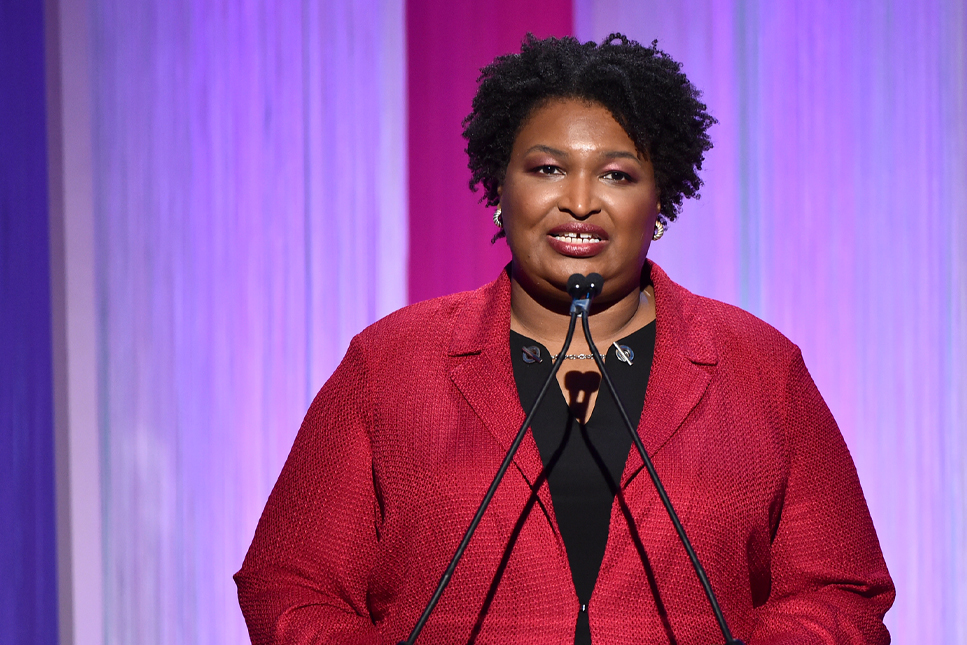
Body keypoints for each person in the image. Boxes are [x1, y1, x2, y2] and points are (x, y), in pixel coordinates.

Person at [236, 34, 894, 644]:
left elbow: (837, 589)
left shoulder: (758, 367)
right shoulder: (390, 363)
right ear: (499, 187)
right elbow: (293, 586)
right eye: (547, 169)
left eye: (616, 175)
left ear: (659, 201)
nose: (579, 201)